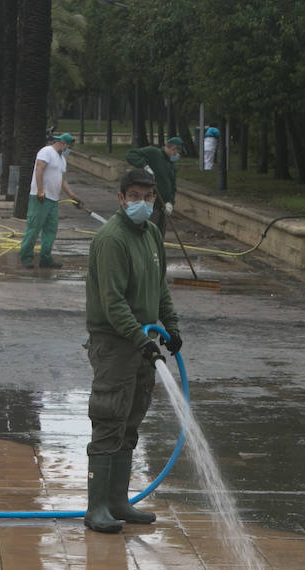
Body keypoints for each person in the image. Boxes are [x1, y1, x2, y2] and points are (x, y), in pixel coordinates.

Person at [82, 168, 183, 534]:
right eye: (136, 196)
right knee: (109, 418)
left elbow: (160, 289)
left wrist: (170, 327)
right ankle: (97, 508)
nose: (143, 203)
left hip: (143, 343)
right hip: (115, 343)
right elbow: (112, 302)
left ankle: (119, 502)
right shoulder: (112, 239)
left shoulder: (152, 233)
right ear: (121, 198)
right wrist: (140, 340)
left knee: (131, 419)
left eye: (149, 196)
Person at [19, 132, 81, 269]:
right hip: (40, 197)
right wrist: (40, 190)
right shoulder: (46, 151)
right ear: (63, 143)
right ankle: (26, 257)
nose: (69, 150)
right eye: (69, 147)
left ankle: (45, 258)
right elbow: (39, 170)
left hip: (53, 200)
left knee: (50, 230)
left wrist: (73, 196)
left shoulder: (62, 160)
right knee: (34, 228)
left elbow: (63, 181)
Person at [125, 136, 184, 226]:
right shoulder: (154, 153)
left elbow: (173, 186)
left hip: (164, 207)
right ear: (174, 149)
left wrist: (170, 203)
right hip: (151, 206)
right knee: (149, 231)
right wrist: (145, 166)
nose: (177, 155)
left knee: (159, 235)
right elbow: (130, 155)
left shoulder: (171, 165)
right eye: (178, 152)